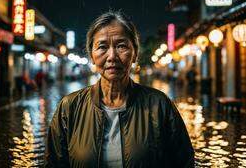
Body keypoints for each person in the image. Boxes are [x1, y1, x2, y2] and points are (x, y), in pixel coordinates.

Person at [44, 11, 194, 168]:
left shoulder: (160, 106)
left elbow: (184, 162)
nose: (112, 56)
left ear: (135, 53)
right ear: (92, 56)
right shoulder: (69, 108)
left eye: (121, 46)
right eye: (102, 47)